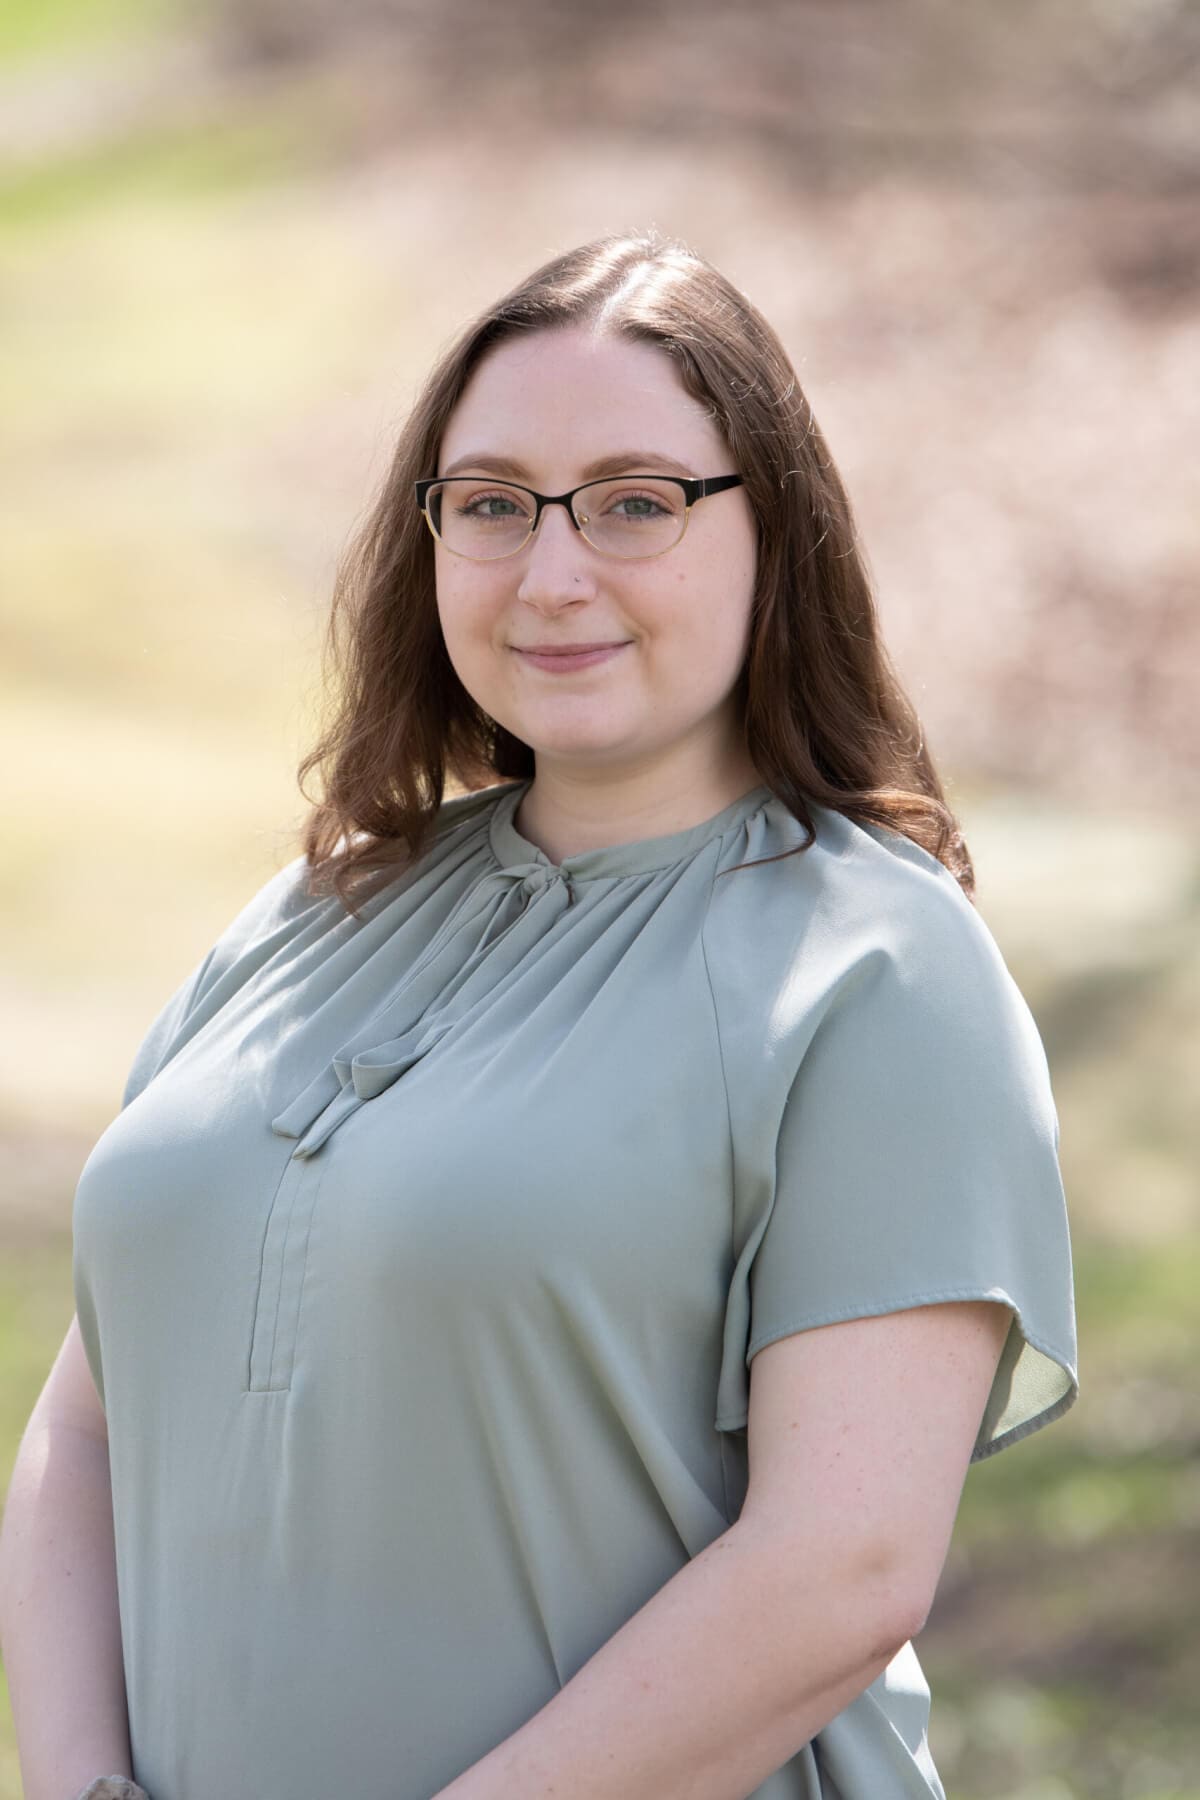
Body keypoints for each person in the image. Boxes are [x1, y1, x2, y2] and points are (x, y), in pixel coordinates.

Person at [0, 230, 1077, 1800]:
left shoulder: (874, 970)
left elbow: (843, 1568)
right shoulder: (311, 914)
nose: (551, 572)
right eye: (492, 505)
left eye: (637, 503)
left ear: (776, 533)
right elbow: (84, 1432)